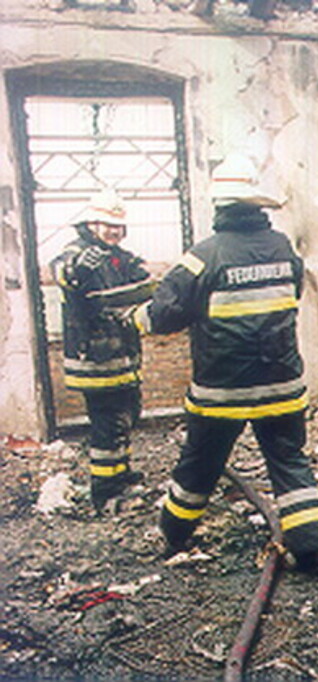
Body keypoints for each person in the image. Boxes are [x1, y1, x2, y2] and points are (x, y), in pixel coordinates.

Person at [134, 153, 318, 575]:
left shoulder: (203, 256)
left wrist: (136, 316)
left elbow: (164, 315)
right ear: (258, 207)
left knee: (200, 464)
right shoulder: (283, 248)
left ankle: (175, 534)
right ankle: (312, 548)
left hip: (220, 392)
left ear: (219, 207)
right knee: (289, 463)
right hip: (281, 385)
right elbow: (291, 295)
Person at [50, 189, 155, 510]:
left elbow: (140, 279)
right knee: (107, 424)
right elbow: (61, 272)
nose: (115, 231)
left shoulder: (117, 255)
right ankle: (106, 492)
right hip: (95, 360)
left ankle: (120, 474)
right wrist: (78, 269)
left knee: (126, 416)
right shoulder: (75, 251)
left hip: (122, 358)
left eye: (119, 226)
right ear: (91, 222)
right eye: (108, 225)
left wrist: (142, 277)